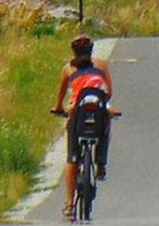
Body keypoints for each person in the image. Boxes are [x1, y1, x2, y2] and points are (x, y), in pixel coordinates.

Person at [50, 34, 114, 220]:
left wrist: (58, 108)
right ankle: (100, 163)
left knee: (72, 157)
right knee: (106, 125)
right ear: (92, 49)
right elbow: (108, 92)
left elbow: (60, 96)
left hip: (76, 114)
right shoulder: (101, 65)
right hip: (98, 110)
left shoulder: (68, 69)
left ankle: (69, 205)